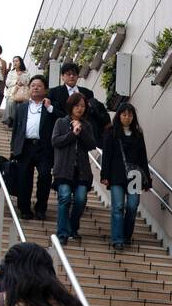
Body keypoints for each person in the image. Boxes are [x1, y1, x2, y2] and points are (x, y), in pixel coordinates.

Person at [99, 102, 151, 251]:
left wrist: (147, 180)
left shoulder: (138, 134)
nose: (127, 117)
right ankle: (117, 239)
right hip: (116, 175)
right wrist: (105, 175)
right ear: (119, 116)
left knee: (132, 206)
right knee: (118, 207)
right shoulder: (111, 132)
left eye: (130, 115)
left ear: (133, 117)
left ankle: (126, 235)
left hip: (135, 175)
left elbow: (143, 157)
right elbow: (107, 156)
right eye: (124, 114)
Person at [7, 75, 58, 220]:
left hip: (44, 148)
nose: (35, 88)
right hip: (25, 147)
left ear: (45, 90)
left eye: (39, 85)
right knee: (24, 178)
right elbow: (17, 128)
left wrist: (50, 108)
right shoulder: (22, 107)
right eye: (33, 85)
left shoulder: (50, 106)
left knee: (45, 176)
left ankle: (41, 208)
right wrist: (13, 148)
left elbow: (61, 118)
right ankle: (24, 209)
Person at [51, 92, 97, 244]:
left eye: (83, 106)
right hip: (64, 169)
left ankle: (73, 227)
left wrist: (81, 131)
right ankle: (62, 233)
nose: (80, 109)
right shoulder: (61, 122)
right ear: (71, 106)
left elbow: (91, 145)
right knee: (64, 198)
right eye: (77, 106)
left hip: (82, 171)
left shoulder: (87, 125)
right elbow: (56, 141)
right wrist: (73, 134)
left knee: (80, 199)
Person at [48, 62, 108, 142]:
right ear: (62, 76)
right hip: (65, 132)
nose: (72, 76)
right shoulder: (54, 92)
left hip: (86, 130)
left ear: (77, 76)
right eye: (68, 74)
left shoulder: (87, 92)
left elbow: (91, 112)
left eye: (74, 74)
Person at [3, 55, 31, 123]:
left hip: (22, 93)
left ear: (20, 62)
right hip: (12, 92)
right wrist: (15, 82)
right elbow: (7, 83)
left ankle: (16, 120)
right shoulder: (11, 72)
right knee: (11, 102)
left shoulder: (26, 72)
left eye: (16, 61)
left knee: (22, 105)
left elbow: (27, 82)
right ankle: (12, 119)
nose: (15, 63)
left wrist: (21, 77)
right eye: (13, 61)